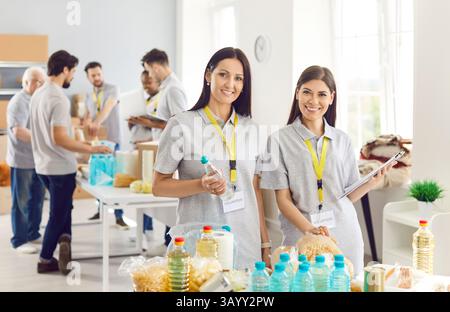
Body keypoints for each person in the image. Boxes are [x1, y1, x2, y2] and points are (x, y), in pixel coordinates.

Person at [259, 66, 394, 274]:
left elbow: (347, 196)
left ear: (331, 98)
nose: (313, 101)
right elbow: (283, 200)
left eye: (321, 94)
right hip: (303, 238)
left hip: (345, 235)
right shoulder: (277, 141)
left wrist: (371, 182)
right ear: (297, 93)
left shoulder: (342, 140)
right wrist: (310, 230)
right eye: (307, 92)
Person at [152, 47, 271, 269]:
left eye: (238, 78)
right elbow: (159, 186)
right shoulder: (181, 125)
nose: (230, 84)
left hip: (246, 242)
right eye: (223, 74)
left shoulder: (252, 129)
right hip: (199, 242)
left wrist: (265, 244)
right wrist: (200, 185)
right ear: (209, 76)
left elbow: (255, 191)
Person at [30, 50, 111, 274]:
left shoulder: (38, 93)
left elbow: (47, 132)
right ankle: (45, 259)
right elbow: (60, 138)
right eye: (73, 71)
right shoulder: (57, 97)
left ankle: (66, 243)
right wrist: (90, 148)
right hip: (59, 167)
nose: (73, 76)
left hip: (43, 166)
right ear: (64, 70)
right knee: (58, 213)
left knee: (64, 208)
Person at [141, 48, 188, 250]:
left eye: (149, 71)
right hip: (164, 150)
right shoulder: (165, 88)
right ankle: (168, 240)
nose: (150, 76)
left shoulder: (174, 89)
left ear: (156, 67)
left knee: (170, 202)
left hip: (173, 154)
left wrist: (150, 123)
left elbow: (181, 124)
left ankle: (172, 242)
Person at [6, 67, 46, 254]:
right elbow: (19, 131)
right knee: (21, 201)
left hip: (38, 160)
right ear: (25, 82)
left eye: (42, 81)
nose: (40, 84)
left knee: (37, 199)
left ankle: (32, 232)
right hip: (22, 160)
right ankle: (19, 240)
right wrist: (44, 140)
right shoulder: (18, 102)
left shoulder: (37, 99)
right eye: (36, 81)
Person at [83, 62, 127, 229]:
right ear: (88, 77)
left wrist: (95, 123)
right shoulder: (89, 95)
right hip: (97, 142)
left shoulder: (113, 89)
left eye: (99, 74)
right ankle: (100, 209)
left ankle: (119, 216)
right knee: (99, 174)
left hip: (112, 139)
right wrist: (87, 123)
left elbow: (108, 107)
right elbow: (87, 115)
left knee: (115, 176)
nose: (97, 77)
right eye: (93, 75)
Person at [128, 70, 161, 144]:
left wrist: (146, 123)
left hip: (151, 144)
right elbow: (132, 127)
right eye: (143, 83)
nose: (146, 86)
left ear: (158, 82)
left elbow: (162, 129)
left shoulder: (162, 100)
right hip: (136, 142)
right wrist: (131, 121)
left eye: (149, 83)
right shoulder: (142, 100)